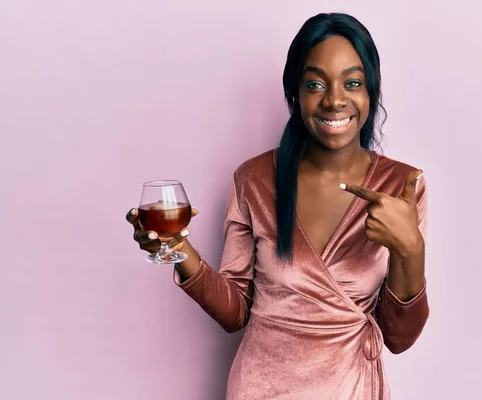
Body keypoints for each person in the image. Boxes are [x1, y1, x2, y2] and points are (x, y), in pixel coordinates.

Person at [127, 12, 429, 400]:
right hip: (261, 388)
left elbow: (399, 338)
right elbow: (235, 312)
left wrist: (411, 249)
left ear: (371, 91)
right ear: (295, 94)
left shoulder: (402, 186)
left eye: (352, 83)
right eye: (315, 84)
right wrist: (179, 251)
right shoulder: (253, 180)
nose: (335, 99)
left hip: (350, 389)